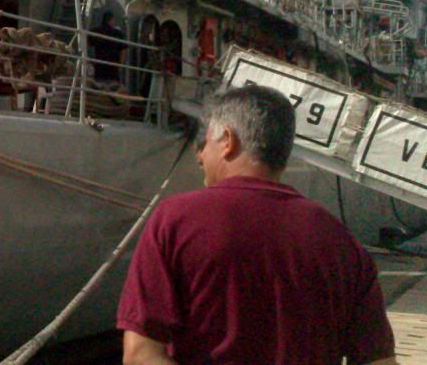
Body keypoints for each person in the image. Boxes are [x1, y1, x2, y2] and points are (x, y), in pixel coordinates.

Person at [117, 85, 396, 365]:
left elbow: (141, 354)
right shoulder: (339, 238)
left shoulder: (174, 221)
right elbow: (379, 360)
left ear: (228, 140)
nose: (199, 156)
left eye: (205, 144)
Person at [92, 11, 127, 82]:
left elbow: (87, 43)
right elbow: (123, 50)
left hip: (99, 66)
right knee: (113, 86)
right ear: (112, 20)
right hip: (113, 67)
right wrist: (121, 65)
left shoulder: (95, 31)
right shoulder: (118, 33)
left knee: (99, 84)